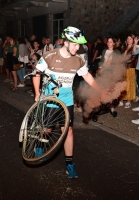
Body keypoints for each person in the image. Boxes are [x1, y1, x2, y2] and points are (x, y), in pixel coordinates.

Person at [32, 26, 101, 178]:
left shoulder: (78, 60)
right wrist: (37, 93)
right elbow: (36, 73)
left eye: (79, 45)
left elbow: (87, 76)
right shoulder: (50, 55)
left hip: (67, 100)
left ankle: (69, 164)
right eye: (76, 44)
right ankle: (39, 144)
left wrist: (99, 90)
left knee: (68, 130)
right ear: (66, 43)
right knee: (47, 129)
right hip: (50, 99)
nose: (79, 48)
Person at [120, 34, 136, 108]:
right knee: (122, 84)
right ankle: (122, 99)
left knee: (129, 84)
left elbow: (133, 59)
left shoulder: (134, 48)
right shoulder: (124, 48)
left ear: (133, 40)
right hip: (123, 68)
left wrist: (123, 61)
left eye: (130, 38)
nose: (129, 40)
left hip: (130, 68)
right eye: (128, 38)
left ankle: (129, 101)